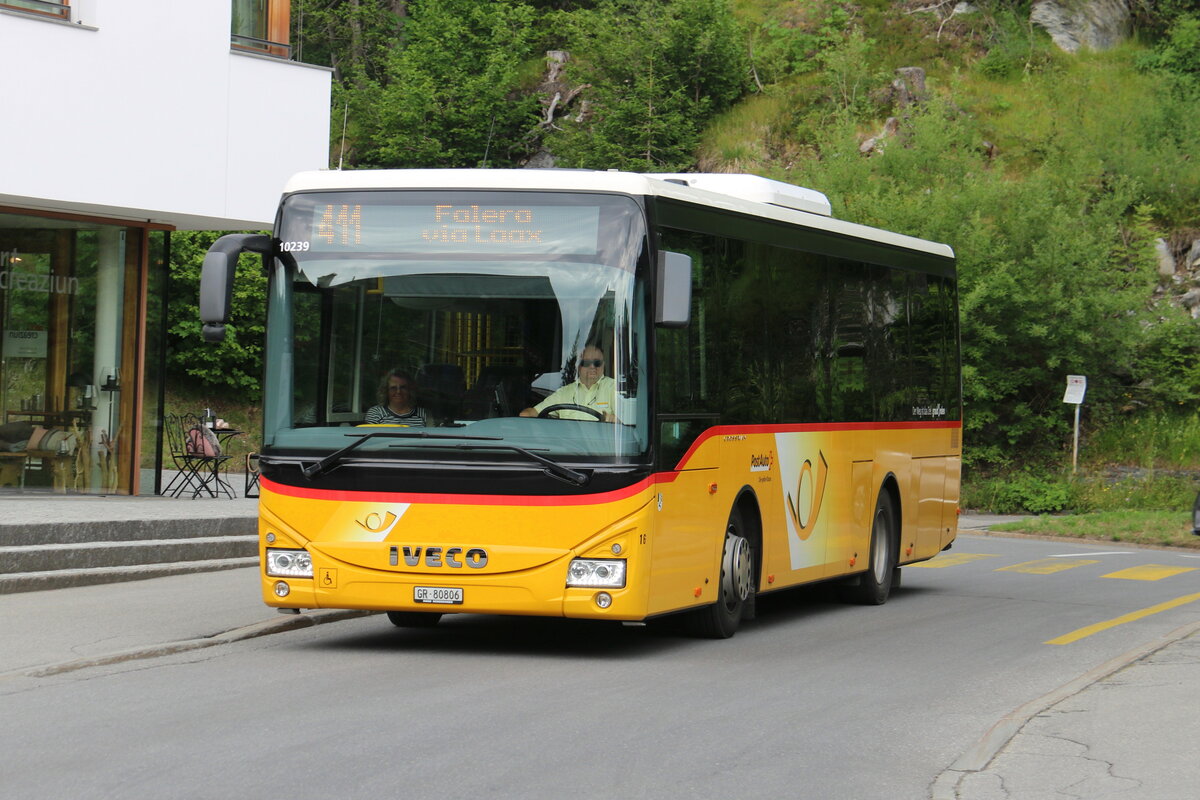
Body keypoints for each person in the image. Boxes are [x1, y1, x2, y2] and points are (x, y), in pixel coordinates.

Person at [520, 344, 617, 422]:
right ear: (579, 367)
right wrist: (525, 415)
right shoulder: (564, 393)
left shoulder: (615, 388)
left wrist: (615, 420)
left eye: (597, 363)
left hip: (601, 445)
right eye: (586, 363)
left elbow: (628, 423)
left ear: (603, 365)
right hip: (567, 445)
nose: (592, 367)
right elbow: (532, 413)